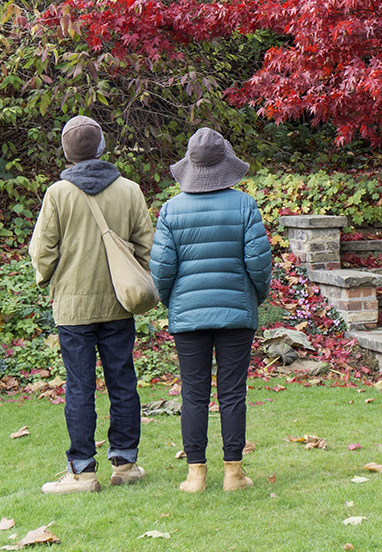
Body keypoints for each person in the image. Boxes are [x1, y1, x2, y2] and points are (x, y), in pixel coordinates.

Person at [29, 114, 154, 494]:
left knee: (79, 387)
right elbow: (147, 246)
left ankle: (82, 471)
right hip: (119, 303)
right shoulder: (130, 190)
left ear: (66, 153)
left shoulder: (58, 194)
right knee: (123, 382)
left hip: (73, 307)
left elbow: (42, 251)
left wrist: (47, 278)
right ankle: (126, 463)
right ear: (102, 147)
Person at [151, 126, 273, 493]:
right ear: (225, 164)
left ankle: (195, 475)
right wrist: (255, 296)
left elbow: (161, 270)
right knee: (233, 391)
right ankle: (234, 474)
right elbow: (259, 264)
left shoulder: (171, 210)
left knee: (193, 393)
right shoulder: (244, 205)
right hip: (236, 312)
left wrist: (175, 302)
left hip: (188, 315)